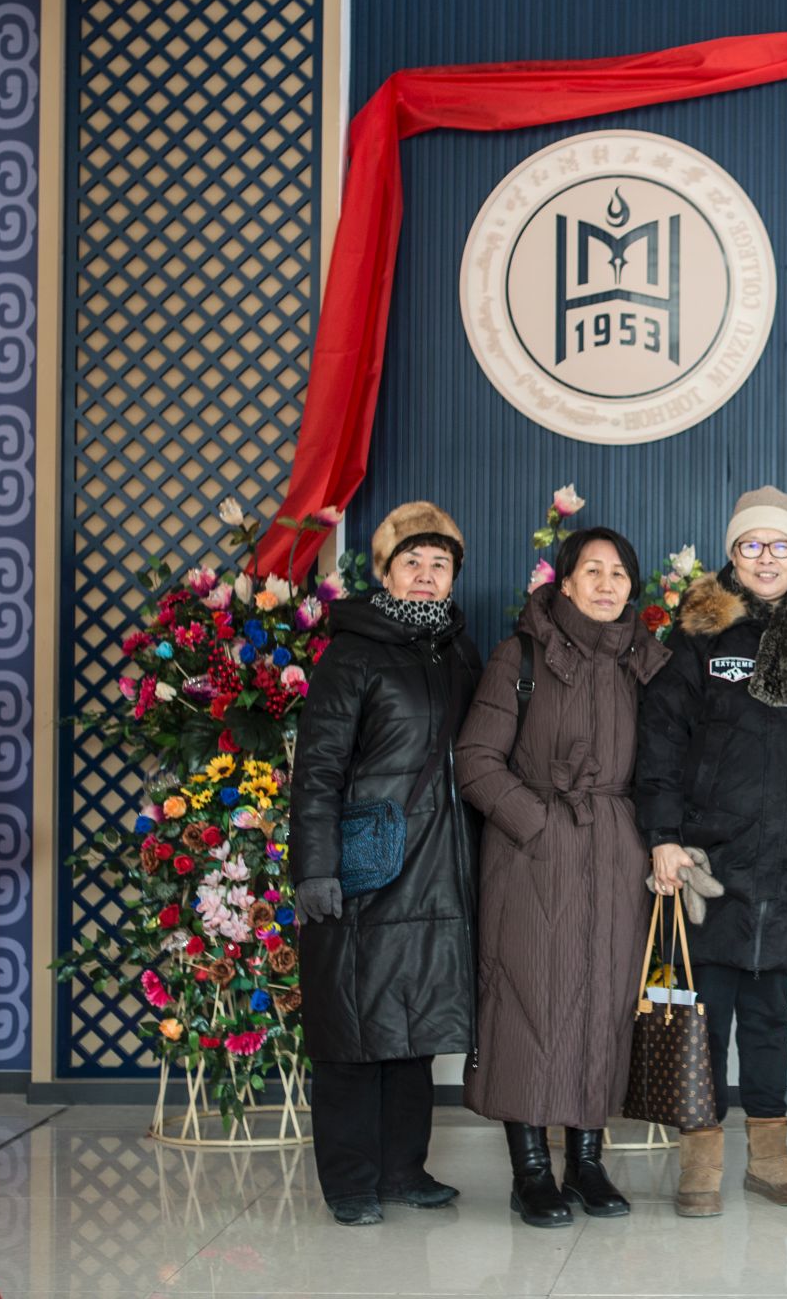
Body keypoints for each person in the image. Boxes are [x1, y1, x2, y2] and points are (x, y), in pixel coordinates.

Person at [637, 486, 787, 1218]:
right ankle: (700, 1155)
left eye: (780, 545)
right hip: (709, 860)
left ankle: (769, 1155)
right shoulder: (700, 638)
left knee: (770, 1013)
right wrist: (664, 835)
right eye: (751, 545)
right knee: (706, 1012)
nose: (766, 558)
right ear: (733, 554)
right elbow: (660, 741)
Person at [454, 525, 670, 1228]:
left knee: (604, 1004)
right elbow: (476, 761)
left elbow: (667, 761)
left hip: (616, 856)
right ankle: (531, 1171)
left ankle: (586, 1161)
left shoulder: (644, 660)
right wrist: (538, 823)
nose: (607, 584)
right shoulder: (520, 654)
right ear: (565, 582)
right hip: (531, 857)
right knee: (528, 1003)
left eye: (619, 573)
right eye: (592, 571)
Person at [290, 502, 482, 1227]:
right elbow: (318, 768)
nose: (427, 575)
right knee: (352, 1027)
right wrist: (315, 868)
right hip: (370, 864)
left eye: (440, 563)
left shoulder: (459, 651)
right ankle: (349, 1181)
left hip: (440, 866)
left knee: (414, 1026)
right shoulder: (353, 652)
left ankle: (404, 1168)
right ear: (385, 571)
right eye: (412, 562)